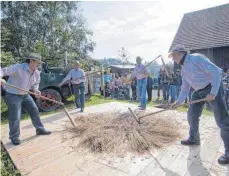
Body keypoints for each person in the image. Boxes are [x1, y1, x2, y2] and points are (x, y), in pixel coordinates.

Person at [170, 44, 229, 165]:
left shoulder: (196, 59)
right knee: (191, 114)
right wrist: (178, 102)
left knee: (222, 121)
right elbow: (185, 88)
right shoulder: (183, 69)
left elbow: (217, 72)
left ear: (180, 53)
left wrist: (213, 92)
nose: (172, 58)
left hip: (213, 87)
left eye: (173, 55)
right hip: (199, 91)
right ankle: (194, 138)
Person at [0, 53, 51, 145]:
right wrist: (0, 78)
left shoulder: (36, 72)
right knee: (15, 116)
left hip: (25, 94)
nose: (39, 65)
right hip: (12, 94)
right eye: (37, 63)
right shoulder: (18, 68)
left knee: (34, 110)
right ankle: (14, 137)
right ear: (31, 61)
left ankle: (40, 129)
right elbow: (2, 71)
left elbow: (35, 84)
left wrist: (36, 90)